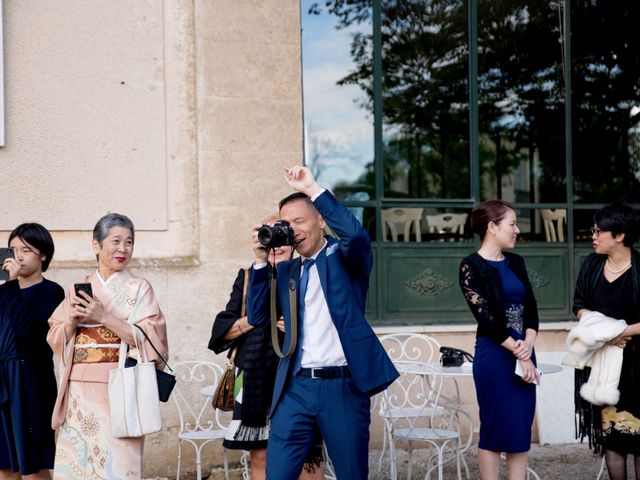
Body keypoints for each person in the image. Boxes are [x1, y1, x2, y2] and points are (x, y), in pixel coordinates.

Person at [247, 165, 399, 479]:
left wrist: (313, 188)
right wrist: (262, 263)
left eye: (300, 220)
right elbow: (257, 316)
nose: (293, 229)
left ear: (320, 220)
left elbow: (355, 235)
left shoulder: (345, 257)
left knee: (351, 474)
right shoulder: (289, 268)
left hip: (342, 386)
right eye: (286, 224)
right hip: (296, 386)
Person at [46, 213, 168, 480]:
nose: (123, 249)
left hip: (120, 389)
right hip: (79, 390)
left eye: (129, 242)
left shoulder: (140, 288)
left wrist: (105, 318)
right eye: (115, 241)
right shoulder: (79, 287)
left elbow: (153, 339)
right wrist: (71, 323)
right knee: (78, 466)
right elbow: (54, 334)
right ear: (96, 245)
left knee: (118, 467)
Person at [208, 214, 324, 480]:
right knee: (260, 456)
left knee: (307, 458)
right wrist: (255, 319)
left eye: (283, 233)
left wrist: (298, 326)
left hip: (296, 375)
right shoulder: (249, 275)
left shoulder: (306, 272)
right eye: (270, 233)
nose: (277, 242)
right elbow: (222, 328)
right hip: (250, 376)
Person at [458, 199, 540, 480]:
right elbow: (486, 317)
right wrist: (520, 352)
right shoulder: (471, 265)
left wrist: (528, 343)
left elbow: (531, 307)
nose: (517, 230)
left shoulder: (516, 262)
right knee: (493, 428)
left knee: (520, 428)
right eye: (512, 224)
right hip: (494, 355)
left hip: (525, 351)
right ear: (492, 227)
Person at [572, 203, 640, 480]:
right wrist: (603, 331)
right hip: (604, 364)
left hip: (638, 364)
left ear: (620, 235)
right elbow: (578, 304)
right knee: (613, 435)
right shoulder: (592, 265)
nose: (594, 236)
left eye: (599, 231)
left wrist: (621, 333)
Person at [0, 224, 65, 479]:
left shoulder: (52, 292)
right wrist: (9, 287)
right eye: (13, 250)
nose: (17, 257)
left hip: (32, 384)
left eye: (25, 250)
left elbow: (27, 329)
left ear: (43, 255)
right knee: (5, 467)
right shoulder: (4, 292)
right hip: (3, 384)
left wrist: (12, 285)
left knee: (35, 467)